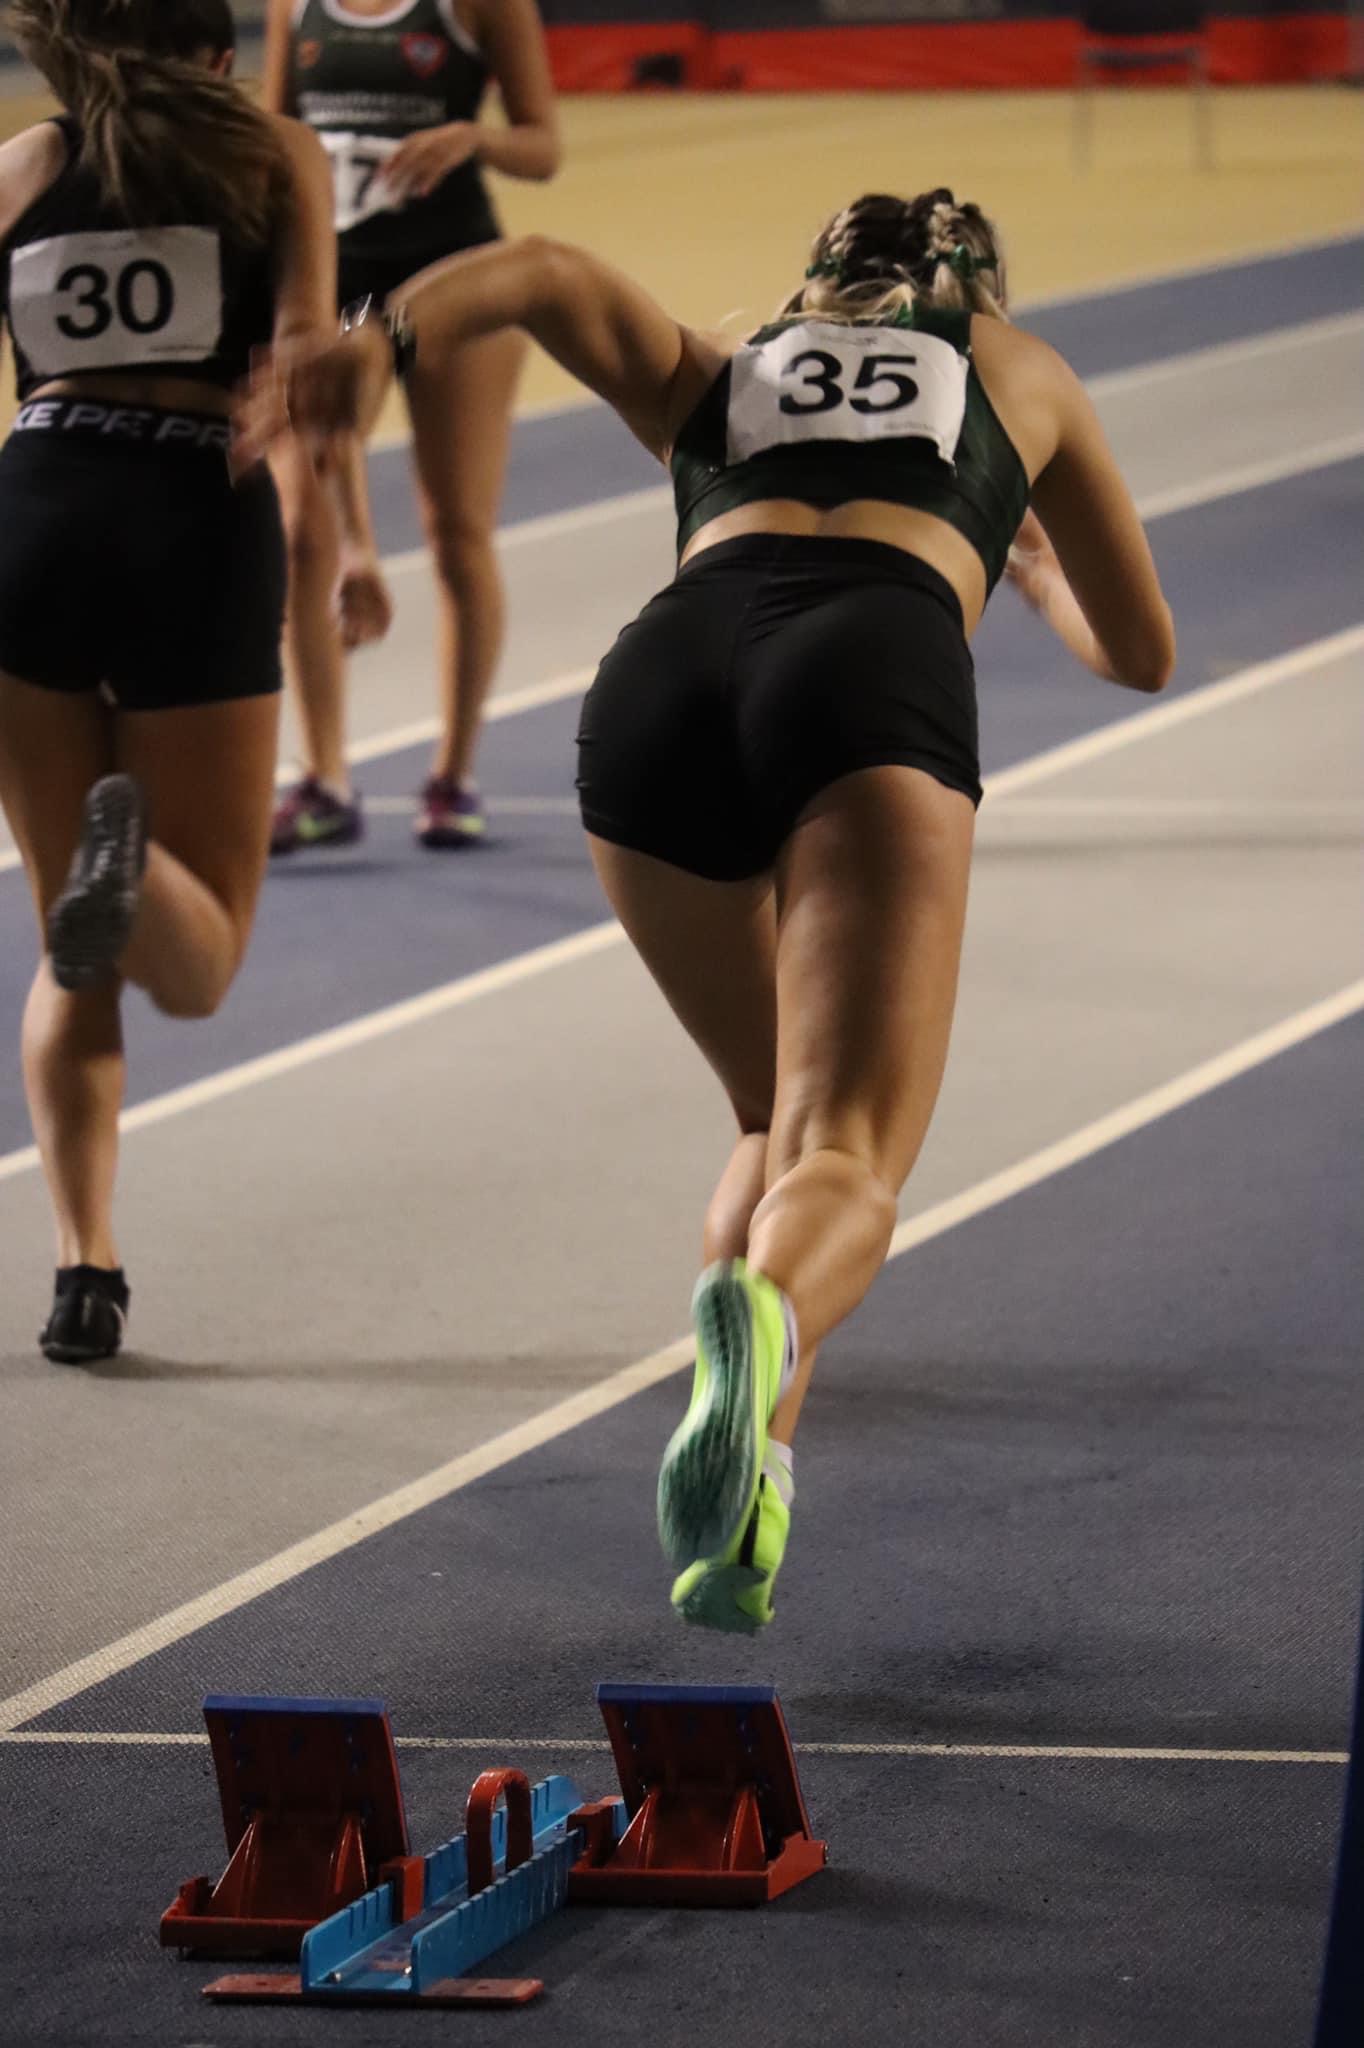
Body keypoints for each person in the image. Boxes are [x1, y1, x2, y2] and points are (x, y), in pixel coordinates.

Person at [239, 187, 1175, 1630]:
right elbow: (1143, 650)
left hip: (657, 685)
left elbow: (544, 268)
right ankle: (766, 1313)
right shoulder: (1016, 367)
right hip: (871, 664)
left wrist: (383, 338)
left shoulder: (721, 365)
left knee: (767, 1119)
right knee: (844, 1150)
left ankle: (748, 1496)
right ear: (975, 284)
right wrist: (1030, 561)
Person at [0, 0, 343, 1363]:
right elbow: (307, 362)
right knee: (197, 970)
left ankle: (85, 1265)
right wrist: (335, 536)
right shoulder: (273, 151)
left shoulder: (27, 163)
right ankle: (130, 863)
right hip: (193, 512)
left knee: (69, 952)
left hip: (31, 511)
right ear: (217, 55)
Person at [260, 0, 560, 852]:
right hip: (325, 272)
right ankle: (324, 777)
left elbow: (543, 147)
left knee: (456, 529)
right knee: (301, 532)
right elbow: (272, 137)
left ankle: (453, 774)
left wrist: (473, 139)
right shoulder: (294, 4)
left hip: (454, 269)